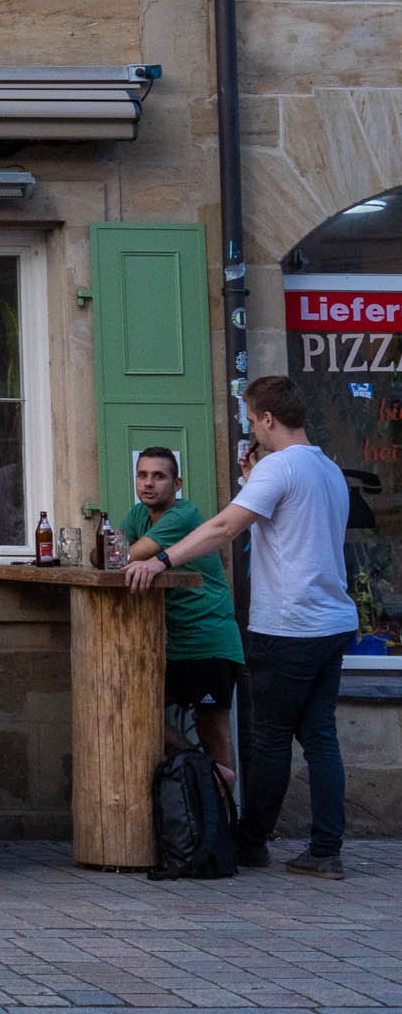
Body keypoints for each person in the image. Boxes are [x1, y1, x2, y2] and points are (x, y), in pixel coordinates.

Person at [128, 375, 357, 879]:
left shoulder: (279, 468)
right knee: (320, 737)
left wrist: (163, 559)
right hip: (333, 619)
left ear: (268, 419)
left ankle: (252, 843)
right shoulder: (326, 468)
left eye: (251, 420)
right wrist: (254, 480)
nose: (251, 427)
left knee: (271, 739)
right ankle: (326, 848)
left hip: (289, 625)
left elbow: (223, 527)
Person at [122, 446, 246, 788]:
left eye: (158, 476)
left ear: (177, 484)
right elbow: (108, 551)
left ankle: (221, 821)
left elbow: (126, 554)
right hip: (173, 643)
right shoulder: (138, 516)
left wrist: (118, 553)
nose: (148, 483)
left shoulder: (183, 516)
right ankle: (205, 772)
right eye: (142, 475)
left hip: (209, 638)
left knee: (214, 729)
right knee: (139, 709)